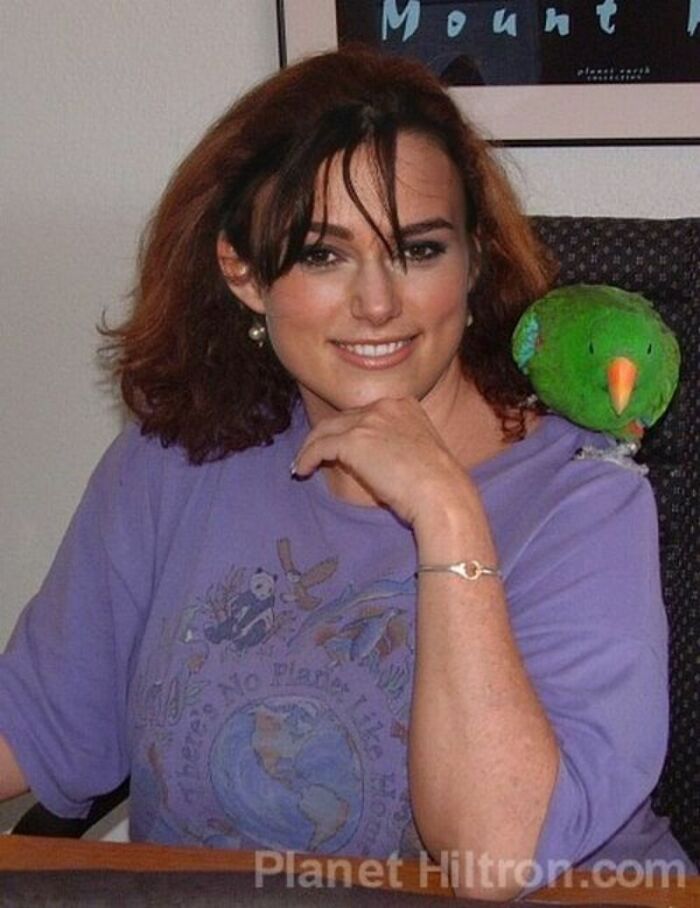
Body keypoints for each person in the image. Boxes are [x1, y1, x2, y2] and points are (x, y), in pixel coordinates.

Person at [0, 46, 694, 899]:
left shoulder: (585, 496)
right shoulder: (178, 457)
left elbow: (496, 855)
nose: (377, 303)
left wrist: (447, 512)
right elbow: (38, 723)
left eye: (419, 250)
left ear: (473, 260)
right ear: (244, 271)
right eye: (322, 255)